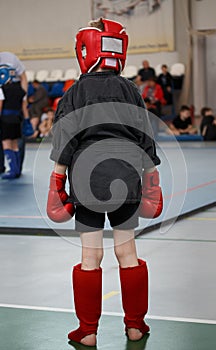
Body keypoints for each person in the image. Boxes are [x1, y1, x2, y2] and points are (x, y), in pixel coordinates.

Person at [47, 18, 163, 346]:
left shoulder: (75, 92)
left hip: (87, 180)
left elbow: (63, 143)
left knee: (90, 257)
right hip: (126, 177)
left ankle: (87, 331)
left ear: (85, 50)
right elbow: (145, 138)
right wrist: (152, 180)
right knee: (128, 254)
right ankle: (136, 326)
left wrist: (57, 181)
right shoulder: (130, 90)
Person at [0, 52, 29, 175]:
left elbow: (23, 77)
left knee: (7, 141)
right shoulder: (18, 91)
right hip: (15, 112)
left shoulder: (10, 58)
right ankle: (14, 170)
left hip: (6, 113)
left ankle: (14, 170)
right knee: (15, 142)